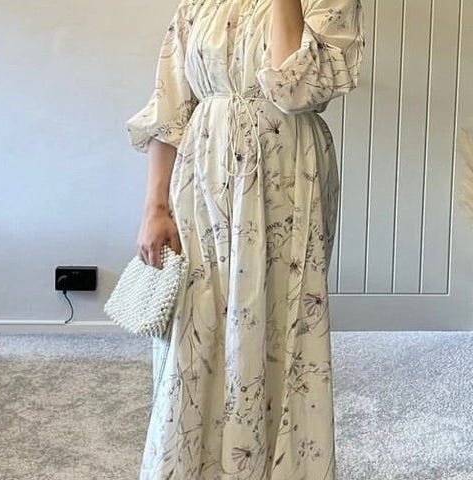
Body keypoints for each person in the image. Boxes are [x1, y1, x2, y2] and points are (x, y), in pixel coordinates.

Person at [126, 0, 365, 478]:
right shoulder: (199, 5)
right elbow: (169, 109)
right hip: (201, 180)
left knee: (277, 323)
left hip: (287, 181)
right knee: (193, 327)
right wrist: (154, 209)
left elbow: (294, 88)